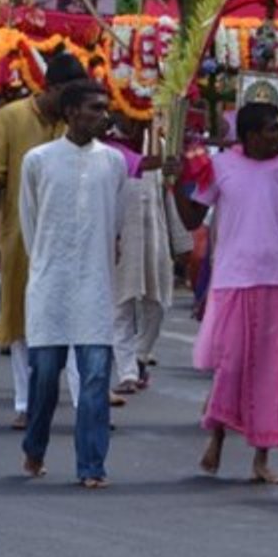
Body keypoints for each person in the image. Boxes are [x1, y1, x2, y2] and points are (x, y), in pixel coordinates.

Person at [173, 101, 278, 485]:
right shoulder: (222, 165)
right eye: (272, 129)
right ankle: (217, 439)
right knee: (233, 363)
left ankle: (262, 457)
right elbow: (192, 218)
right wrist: (176, 182)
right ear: (250, 135)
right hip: (232, 278)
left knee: (272, 369)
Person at [17, 82, 127, 487]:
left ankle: (91, 466)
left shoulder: (113, 163)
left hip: (95, 285)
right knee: (45, 376)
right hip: (50, 282)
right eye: (95, 108)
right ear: (71, 113)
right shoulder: (38, 161)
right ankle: (35, 448)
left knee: (96, 376)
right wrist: (45, 264)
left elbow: (114, 220)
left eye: (104, 108)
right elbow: (30, 221)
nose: (103, 115)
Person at [0, 52, 90, 427]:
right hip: (20, 238)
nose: (77, 108)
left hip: (72, 239)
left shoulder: (75, 124)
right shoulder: (10, 118)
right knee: (23, 319)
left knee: (78, 320)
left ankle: (83, 404)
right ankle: (25, 404)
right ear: (53, 89)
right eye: (71, 98)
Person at [108, 115, 174, 396]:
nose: (135, 123)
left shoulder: (156, 143)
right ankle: (127, 372)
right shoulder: (108, 148)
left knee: (157, 305)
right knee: (120, 306)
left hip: (155, 238)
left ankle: (139, 354)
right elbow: (148, 164)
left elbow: (167, 196)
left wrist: (180, 242)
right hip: (121, 238)